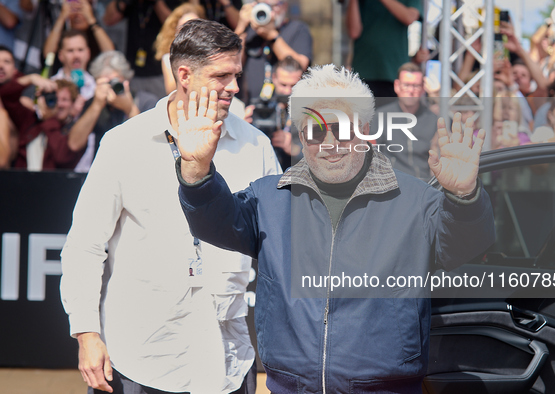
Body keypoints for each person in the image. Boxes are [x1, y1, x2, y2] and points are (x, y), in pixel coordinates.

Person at [174, 64, 495, 393]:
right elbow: (213, 221)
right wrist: (197, 172)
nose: (329, 143)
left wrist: (463, 197)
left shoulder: (415, 201)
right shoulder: (269, 198)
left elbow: (465, 245)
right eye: (315, 131)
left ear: (366, 130)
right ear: (301, 136)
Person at [60, 19, 280, 394]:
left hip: (228, 358)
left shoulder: (256, 145)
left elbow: (276, 248)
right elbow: (85, 245)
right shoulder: (123, 143)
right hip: (138, 356)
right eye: (221, 76)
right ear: (184, 75)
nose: (235, 87)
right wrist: (86, 333)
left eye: (237, 75)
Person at [235, 0, 312, 104]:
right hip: (248, 106)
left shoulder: (298, 29)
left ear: (284, 6)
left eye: (273, 6)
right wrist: (241, 26)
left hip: (283, 105)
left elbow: (300, 66)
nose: (268, 10)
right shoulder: (248, 29)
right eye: (263, 5)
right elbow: (232, 63)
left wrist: (272, 36)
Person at [103, 0, 183, 99]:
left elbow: (174, 27)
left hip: (159, 71)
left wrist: (156, 2)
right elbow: (108, 20)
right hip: (133, 72)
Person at [373, 62, 438, 181]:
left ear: (423, 88)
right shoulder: (380, 116)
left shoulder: (433, 119)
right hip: (391, 184)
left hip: (424, 185)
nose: (411, 90)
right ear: (397, 86)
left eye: (416, 85)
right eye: (406, 85)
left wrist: (435, 96)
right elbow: (371, 155)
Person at [346, 0, 421, 97]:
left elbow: (410, 18)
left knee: (392, 110)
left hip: (394, 72)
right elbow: (354, 32)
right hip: (363, 70)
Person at [13, 79, 85, 170]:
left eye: (65, 100)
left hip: (53, 183)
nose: (58, 104)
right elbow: (7, 96)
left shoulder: (75, 131)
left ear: (72, 104)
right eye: (54, 98)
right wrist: (31, 79)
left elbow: (62, 158)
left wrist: (49, 119)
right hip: (21, 180)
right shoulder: (31, 120)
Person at [43, 0, 115, 71]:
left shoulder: (97, 36)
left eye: (81, 9)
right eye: (73, 9)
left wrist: (91, 19)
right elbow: (48, 54)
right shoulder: (62, 36)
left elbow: (111, 54)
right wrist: (61, 17)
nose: (77, 15)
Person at [155, 3, 206, 95]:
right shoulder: (168, 57)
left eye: (195, 26)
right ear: (176, 31)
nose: (190, 31)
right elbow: (171, 90)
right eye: (185, 27)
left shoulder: (211, 54)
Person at [51, 30, 96, 103]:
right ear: (61, 55)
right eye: (70, 50)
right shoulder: (51, 86)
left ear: (88, 53)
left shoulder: (96, 87)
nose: (76, 55)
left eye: (80, 50)